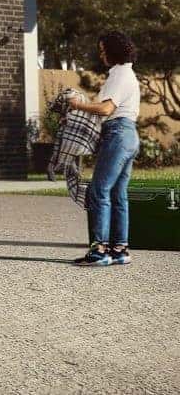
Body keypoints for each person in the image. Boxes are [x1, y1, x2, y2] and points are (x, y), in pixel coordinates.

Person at [70, 31, 141, 267]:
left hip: (118, 134)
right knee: (118, 193)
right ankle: (120, 249)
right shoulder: (127, 74)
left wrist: (77, 105)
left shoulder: (119, 75)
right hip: (129, 135)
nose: (101, 55)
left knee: (98, 190)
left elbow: (106, 109)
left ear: (113, 51)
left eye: (103, 50)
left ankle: (99, 250)